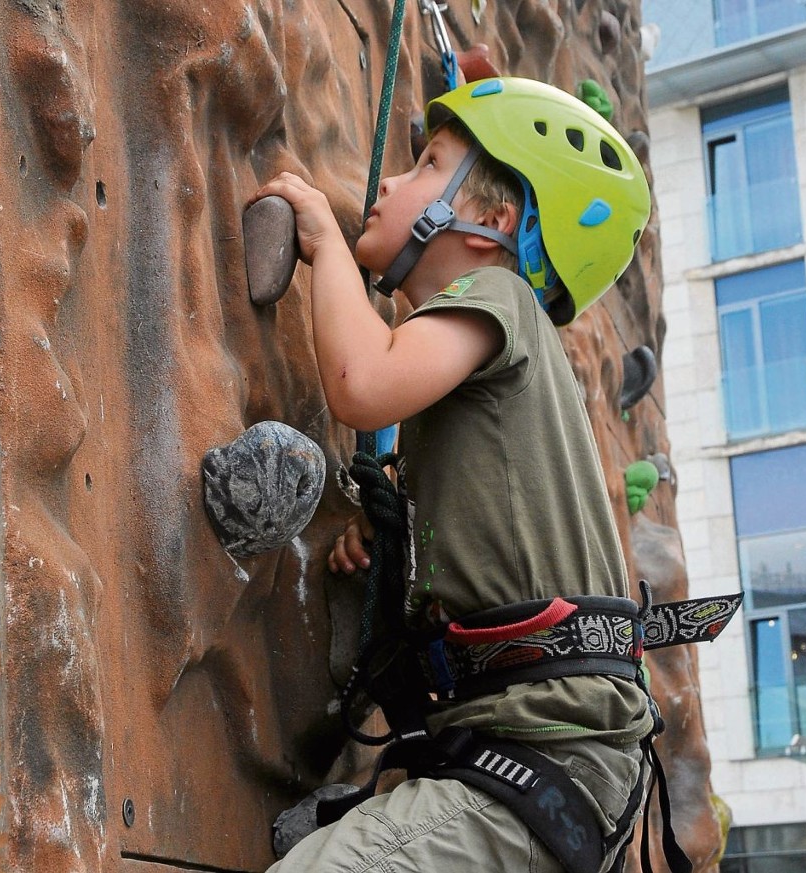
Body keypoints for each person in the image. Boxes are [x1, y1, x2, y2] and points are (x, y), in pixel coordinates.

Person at [252, 77, 654, 873]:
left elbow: (363, 381)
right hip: (549, 764)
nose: (394, 182)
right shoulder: (493, 372)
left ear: (491, 223)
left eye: (429, 164)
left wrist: (327, 248)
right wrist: (391, 526)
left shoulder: (498, 297)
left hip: (547, 762)